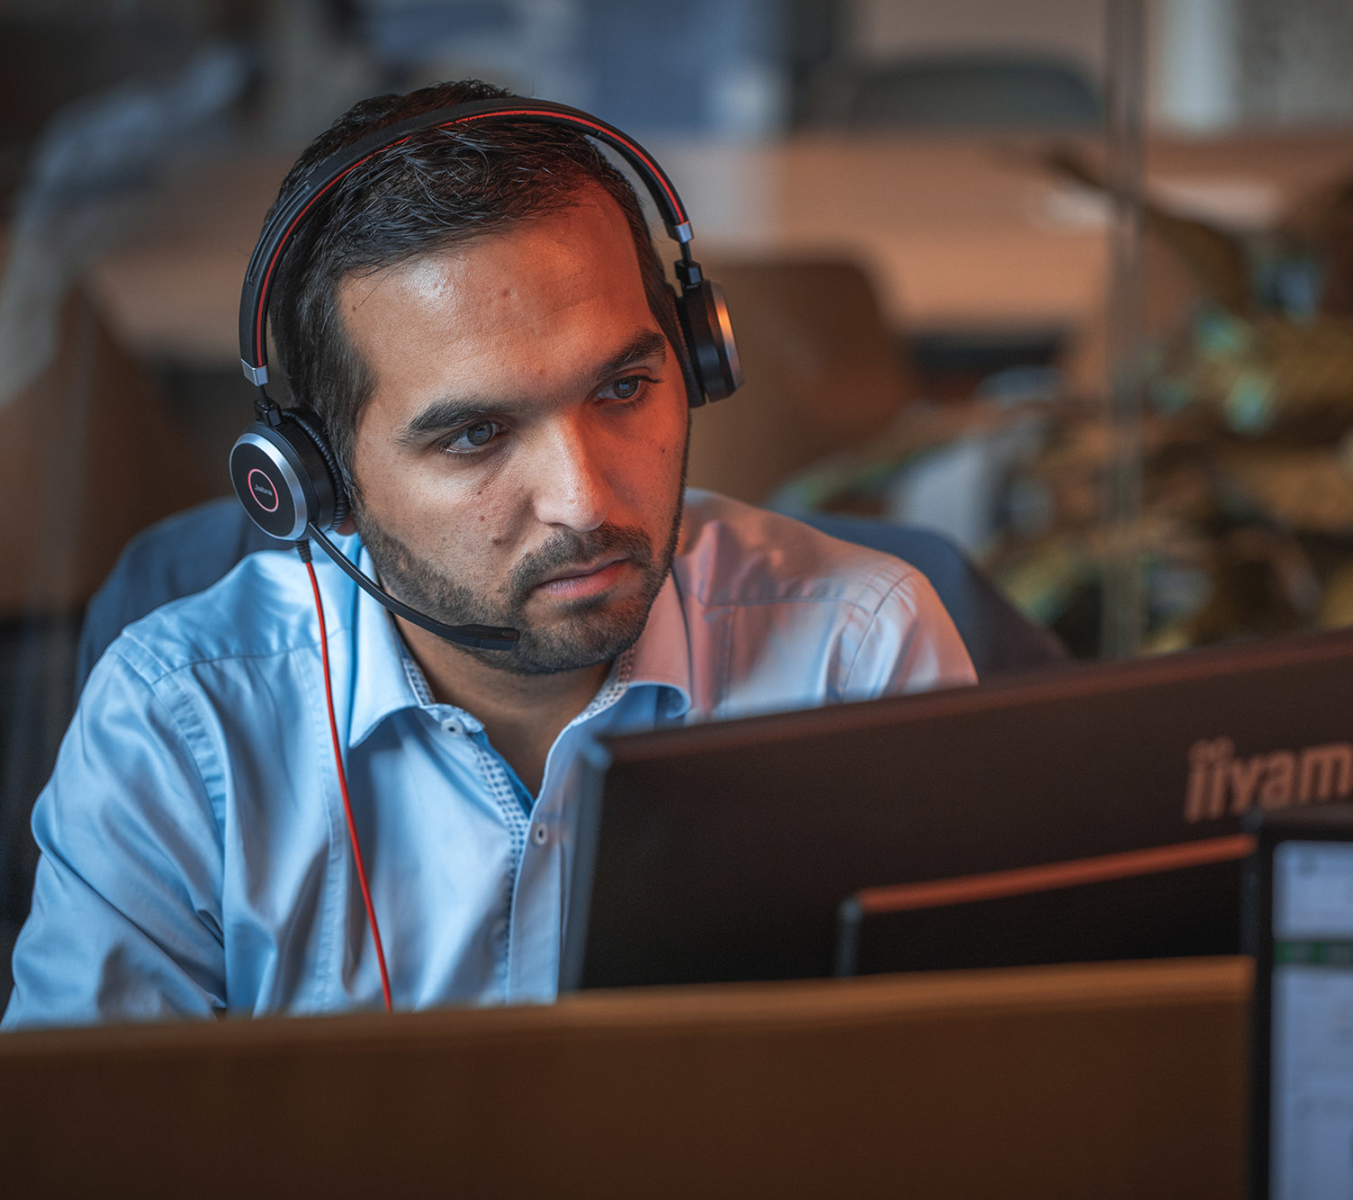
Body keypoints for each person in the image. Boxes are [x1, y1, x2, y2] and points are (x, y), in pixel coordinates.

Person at [3, 81, 975, 1027]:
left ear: (697, 359)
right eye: (475, 436)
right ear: (319, 483)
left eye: (623, 388)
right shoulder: (180, 731)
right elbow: (85, 1150)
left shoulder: (861, 660)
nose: (584, 501)